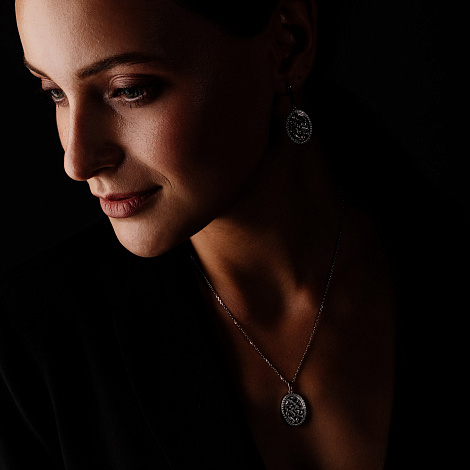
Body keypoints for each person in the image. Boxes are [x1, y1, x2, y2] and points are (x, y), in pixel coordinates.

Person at [0, 0, 466, 468]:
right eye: (54, 92)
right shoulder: (30, 354)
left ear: (287, 46)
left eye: (130, 90)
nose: (77, 161)